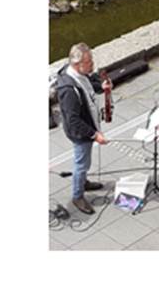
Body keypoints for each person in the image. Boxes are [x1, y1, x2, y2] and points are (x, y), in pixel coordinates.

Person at [56, 43, 111, 215]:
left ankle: (84, 182)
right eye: (89, 62)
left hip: (88, 125)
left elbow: (88, 87)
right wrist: (94, 134)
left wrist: (100, 87)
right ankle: (77, 195)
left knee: (84, 161)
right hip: (81, 133)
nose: (92, 65)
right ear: (77, 64)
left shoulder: (80, 74)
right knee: (82, 164)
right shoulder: (68, 90)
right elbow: (73, 120)